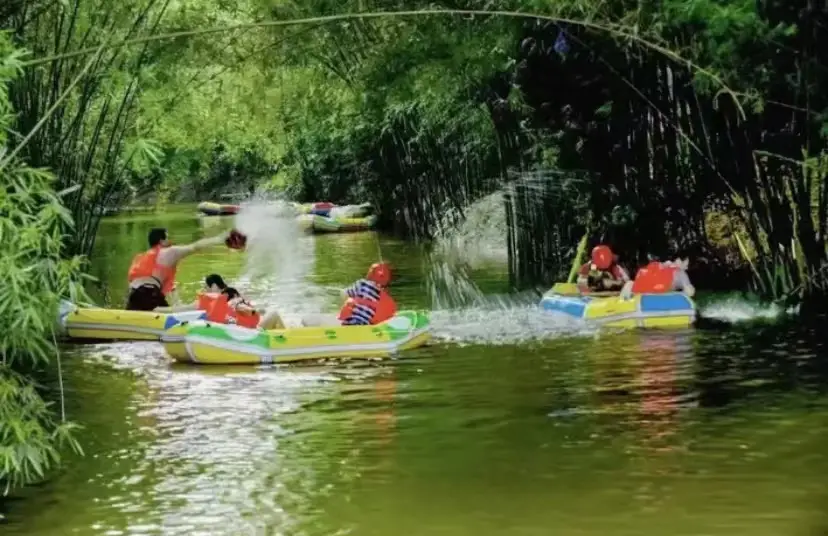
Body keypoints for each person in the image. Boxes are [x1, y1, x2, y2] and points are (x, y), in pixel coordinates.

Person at [125, 228, 245, 311]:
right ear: (162, 241)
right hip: (149, 294)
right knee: (175, 316)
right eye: (168, 238)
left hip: (133, 297)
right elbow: (195, 246)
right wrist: (221, 238)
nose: (171, 241)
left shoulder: (139, 258)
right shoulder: (169, 252)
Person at [620, 256, 696, 299]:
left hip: (642, 290)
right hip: (656, 292)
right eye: (686, 264)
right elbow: (690, 292)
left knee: (630, 284)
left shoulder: (663, 265)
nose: (687, 267)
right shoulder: (681, 273)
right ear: (679, 261)